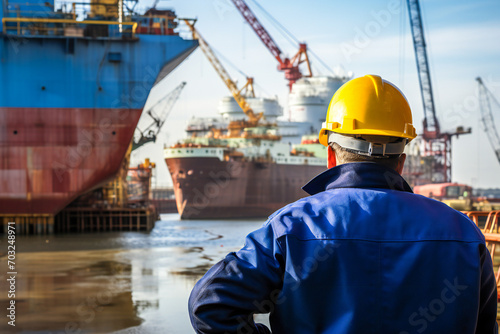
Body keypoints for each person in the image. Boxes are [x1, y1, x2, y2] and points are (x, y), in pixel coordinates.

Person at [188, 75, 498, 333]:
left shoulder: (291, 228)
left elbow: (210, 306)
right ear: (401, 161)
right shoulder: (465, 235)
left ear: (331, 156)